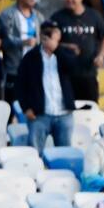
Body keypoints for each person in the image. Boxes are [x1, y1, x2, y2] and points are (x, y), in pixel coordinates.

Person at [17, 21, 75, 152]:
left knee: (65, 153)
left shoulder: (65, 53)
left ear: (58, 35)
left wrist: (57, 49)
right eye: (45, 33)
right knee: (35, 152)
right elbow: (20, 85)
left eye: (51, 33)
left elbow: (75, 69)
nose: (48, 36)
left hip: (64, 114)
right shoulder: (30, 57)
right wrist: (26, 108)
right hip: (39, 115)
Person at [51, 0, 104, 103]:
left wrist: (101, 56)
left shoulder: (94, 15)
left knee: (91, 110)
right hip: (65, 74)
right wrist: (66, 46)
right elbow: (48, 42)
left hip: (88, 73)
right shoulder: (57, 17)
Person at [0, 0, 42, 97]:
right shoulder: (7, 14)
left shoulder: (38, 16)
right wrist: (23, 42)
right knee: (13, 104)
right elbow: (5, 40)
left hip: (34, 68)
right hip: (14, 68)